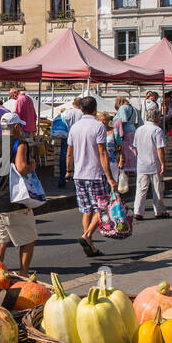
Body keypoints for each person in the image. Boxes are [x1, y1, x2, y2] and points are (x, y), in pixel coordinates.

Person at [65, 96, 116, 257]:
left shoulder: (75, 127)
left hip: (79, 174)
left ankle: (91, 245)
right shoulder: (98, 126)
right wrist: (110, 177)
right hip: (95, 173)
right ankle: (87, 236)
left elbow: (69, 152)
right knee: (102, 208)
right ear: (95, 109)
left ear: (81, 109)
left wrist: (69, 170)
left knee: (86, 210)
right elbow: (102, 152)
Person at [0, 113, 37, 275]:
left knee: (0, 241)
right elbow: (21, 168)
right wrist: (32, 167)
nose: (21, 129)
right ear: (15, 127)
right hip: (14, 199)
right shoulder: (20, 144)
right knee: (28, 238)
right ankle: (24, 273)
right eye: (20, 126)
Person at [132, 112, 169, 219]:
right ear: (156, 118)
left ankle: (138, 211)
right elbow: (159, 149)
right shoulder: (157, 130)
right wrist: (163, 163)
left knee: (141, 188)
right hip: (154, 163)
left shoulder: (139, 129)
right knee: (157, 188)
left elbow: (135, 146)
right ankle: (159, 211)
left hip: (141, 163)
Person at [56, 98, 83, 187]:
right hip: (79, 138)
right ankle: (76, 180)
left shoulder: (67, 112)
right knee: (78, 159)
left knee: (64, 158)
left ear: (73, 104)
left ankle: (62, 179)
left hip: (67, 137)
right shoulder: (82, 114)